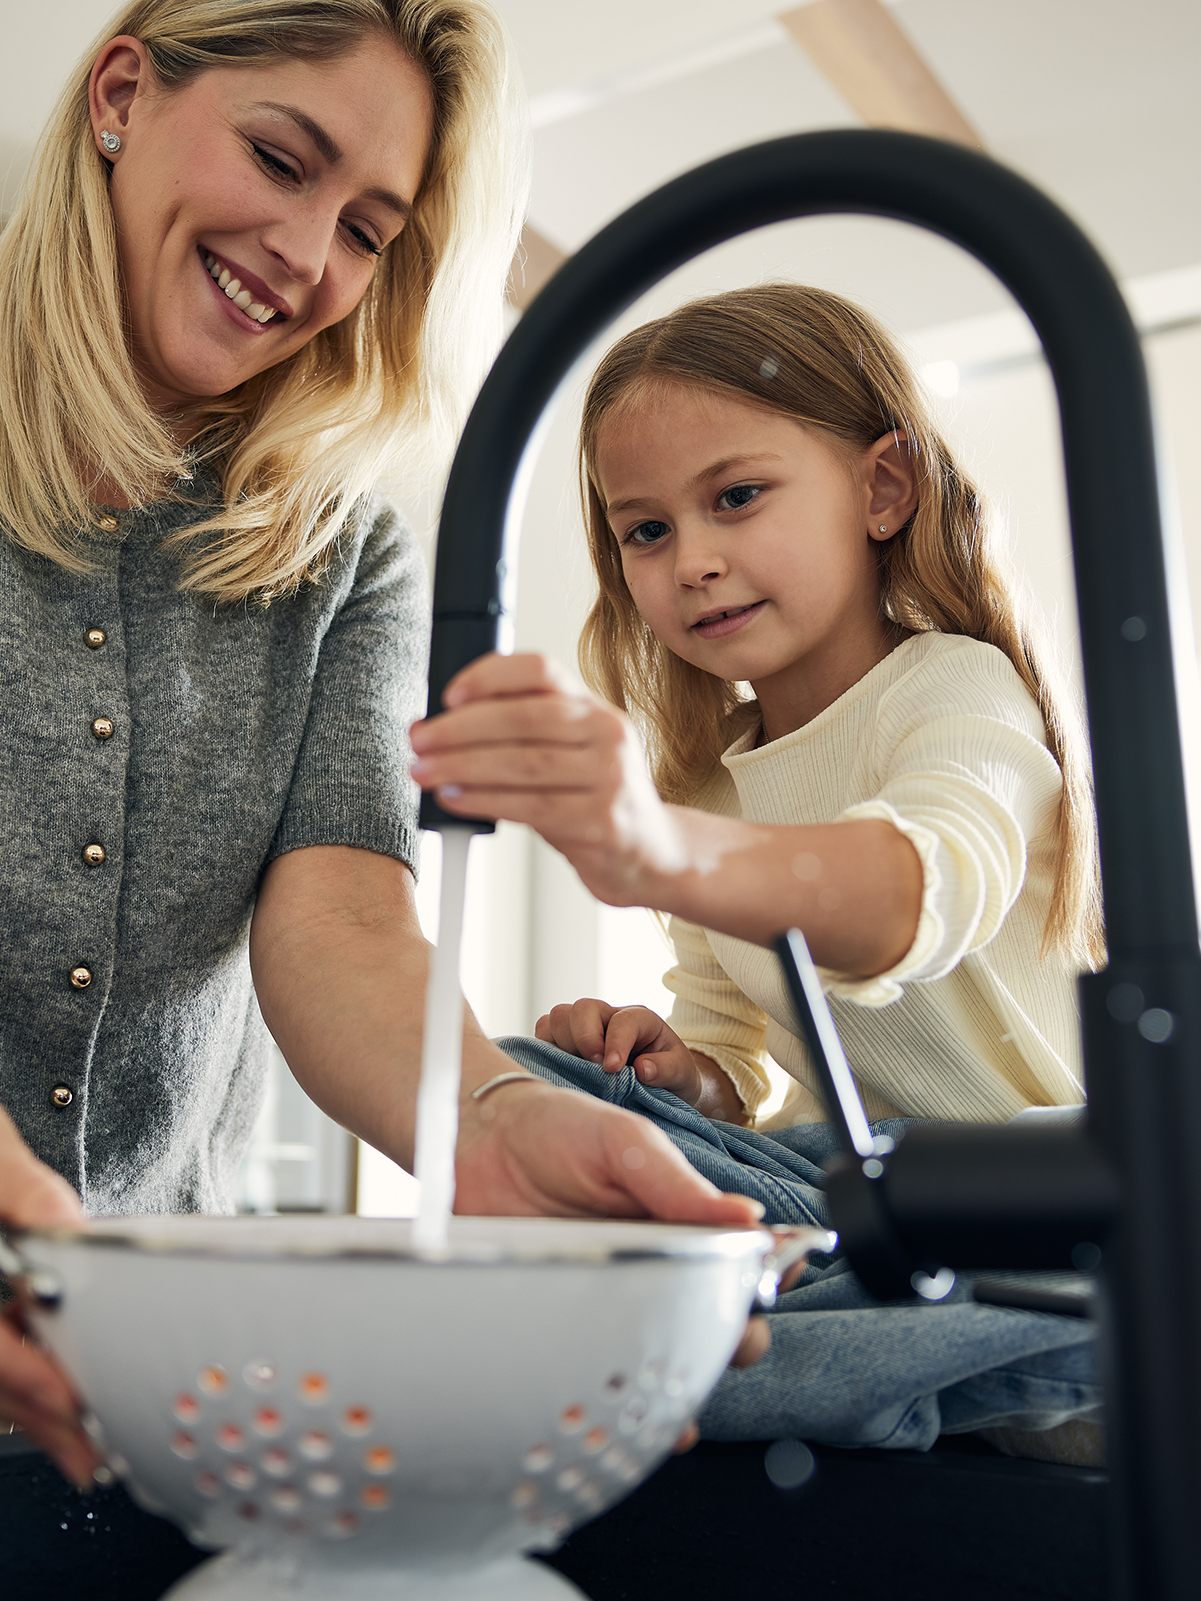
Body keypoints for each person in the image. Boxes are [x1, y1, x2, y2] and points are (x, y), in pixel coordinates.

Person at [0, 1, 767, 1499]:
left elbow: (340, 918)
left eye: (367, 230)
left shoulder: (336, 549)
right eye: (281, 159)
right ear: (118, 95)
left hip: (157, 1404)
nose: (306, 257)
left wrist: (487, 1119)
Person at [410, 282, 1102, 1132]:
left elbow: (916, 894)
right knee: (526, 1077)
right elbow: (728, 1071)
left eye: (735, 497)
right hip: (840, 1188)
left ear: (882, 489)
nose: (691, 561)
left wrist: (661, 851)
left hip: (1037, 1195)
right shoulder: (709, 790)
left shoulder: (952, 686)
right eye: (646, 531)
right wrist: (664, 1070)